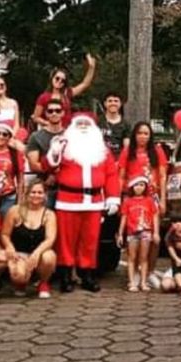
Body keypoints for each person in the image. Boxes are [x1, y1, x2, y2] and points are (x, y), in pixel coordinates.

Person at [45, 112, 120, 293]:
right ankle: (65, 275)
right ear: (72, 127)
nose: (84, 127)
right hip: (68, 201)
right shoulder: (63, 146)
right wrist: (53, 152)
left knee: (90, 240)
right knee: (66, 241)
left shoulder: (102, 150)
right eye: (80, 124)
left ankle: (87, 274)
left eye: (87, 124)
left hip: (94, 202)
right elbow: (48, 166)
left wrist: (113, 198)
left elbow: (111, 174)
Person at [118, 121, 168, 284]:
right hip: (132, 198)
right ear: (134, 135)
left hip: (152, 198)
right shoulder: (127, 151)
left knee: (153, 236)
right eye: (139, 133)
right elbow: (121, 176)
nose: (142, 136)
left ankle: (150, 270)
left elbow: (162, 176)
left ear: (150, 135)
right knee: (132, 235)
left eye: (146, 133)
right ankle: (134, 271)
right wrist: (119, 198)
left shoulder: (157, 151)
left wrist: (163, 199)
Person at [0, 179, 57, 298]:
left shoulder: (49, 214)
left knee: (49, 257)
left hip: (39, 255)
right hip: (19, 253)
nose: (36, 195)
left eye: (40, 192)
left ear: (45, 195)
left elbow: (50, 239)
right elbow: (4, 234)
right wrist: (9, 246)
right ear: (27, 193)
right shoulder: (15, 210)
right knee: (19, 276)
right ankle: (21, 284)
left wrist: (37, 252)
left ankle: (43, 282)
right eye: (33, 192)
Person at [116, 176, 160, 292]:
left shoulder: (149, 201)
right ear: (132, 187)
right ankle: (132, 282)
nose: (139, 187)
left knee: (144, 258)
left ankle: (143, 282)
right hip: (132, 232)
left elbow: (155, 216)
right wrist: (120, 234)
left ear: (145, 187)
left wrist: (156, 232)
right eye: (136, 185)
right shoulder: (127, 201)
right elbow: (124, 218)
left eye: (142, 185)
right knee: (131, 257)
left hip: (146, 232)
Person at [31, 55, 96, 129]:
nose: (59, 81)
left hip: (66, 130)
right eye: (57, 78)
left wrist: (91, 67)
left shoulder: (67, 93)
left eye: (63, 80)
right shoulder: (43, 97)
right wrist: (50, 124)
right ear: (52, 78)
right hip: (51, 131)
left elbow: (85, 84)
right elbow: (36, 117)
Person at [26, 98, 65, 209]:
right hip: (44, 187)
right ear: (46, 114)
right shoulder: (36, 136)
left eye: (58, 110)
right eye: (50, 111)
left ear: (63, 113)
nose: (54, 113)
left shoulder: (70, 134)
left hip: (66, 187)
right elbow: (33, 165)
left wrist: (55, 174)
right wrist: (52, 171)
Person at [98, 92, 131, 159]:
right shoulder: (97, 121)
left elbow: (126, 146)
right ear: (105, 104)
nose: (113, 103)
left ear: (120, 104)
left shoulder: (126, 124)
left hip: (117, 159)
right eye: (110, 101)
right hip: (100, 158)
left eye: (116, 101)